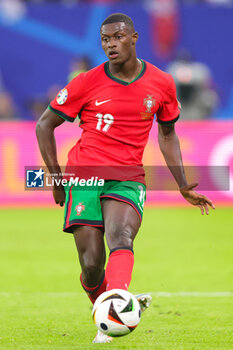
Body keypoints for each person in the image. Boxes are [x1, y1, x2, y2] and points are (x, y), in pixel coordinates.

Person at [36, 13, 215, 344]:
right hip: (84, 175)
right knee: (91, 264)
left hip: (127, 177)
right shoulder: (87, 81)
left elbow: (167, 133)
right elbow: (44, 124)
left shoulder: (161, 82)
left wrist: (182, 182)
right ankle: (109, 310)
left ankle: (115, 305)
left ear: (133, 38)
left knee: (122, 237)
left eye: (117, 37)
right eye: (105, 39)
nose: (110, 44)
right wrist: (56, 178)